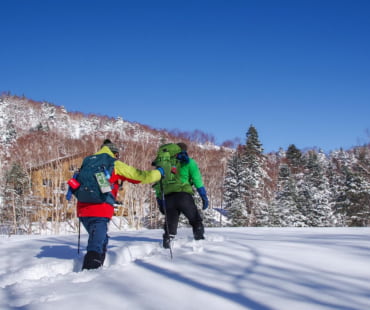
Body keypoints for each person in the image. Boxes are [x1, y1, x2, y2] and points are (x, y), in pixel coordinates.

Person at [74, 139, 164, 270]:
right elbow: (141, 176)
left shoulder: (88, 161)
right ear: (115, 154)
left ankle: (97, 271)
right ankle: (89, 275)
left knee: (102, 240)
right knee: (96, 245)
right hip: (100, 209)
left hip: (82, 208)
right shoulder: (114, 164)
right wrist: (160, 173)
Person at [155, 142, 209, 249]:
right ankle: (200, 242)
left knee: (170, 225)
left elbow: (158, 184)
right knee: (195, 220)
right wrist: (203, 196)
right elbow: (197, 179)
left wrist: (160, 201)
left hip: (168, 198)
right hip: (184, 196)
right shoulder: (189, 162)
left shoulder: (165, 165)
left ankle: (166, 245)